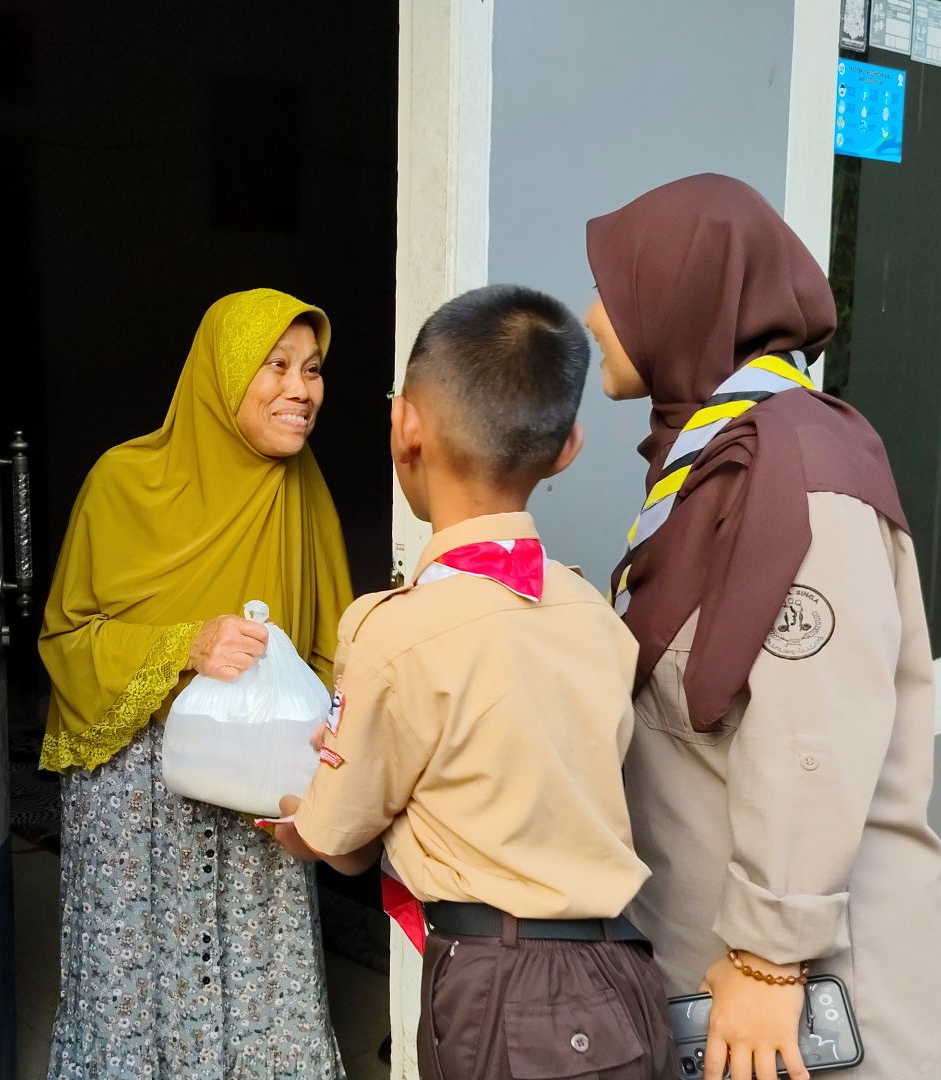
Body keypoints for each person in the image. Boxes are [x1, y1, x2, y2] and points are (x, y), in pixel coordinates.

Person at [586, 174, 941, 1080]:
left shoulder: (801, 474)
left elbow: (810, 734)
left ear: (682, 298)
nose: (594, 314)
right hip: (721, 985)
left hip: (796, 1010)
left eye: (618, 287)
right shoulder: (714, 453)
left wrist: (766, 953)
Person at [272, 284, 674, 1080]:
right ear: (568, 449)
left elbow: (333, 835)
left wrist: (298, 815)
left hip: (504, 992)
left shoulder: (394, 630)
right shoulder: (592, 613)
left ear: (405, 426)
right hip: (626, 977)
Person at [38, 288, 354, 1080]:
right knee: (136, 996)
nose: (300, 389)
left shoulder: (302, 491)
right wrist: (188, 642)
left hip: (258, 786)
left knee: (259, 989)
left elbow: (332, 646)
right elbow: (67, 640)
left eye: (312, 369)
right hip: (136, 795)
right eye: (274, 365)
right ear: (222, 374)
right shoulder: (123, 482)